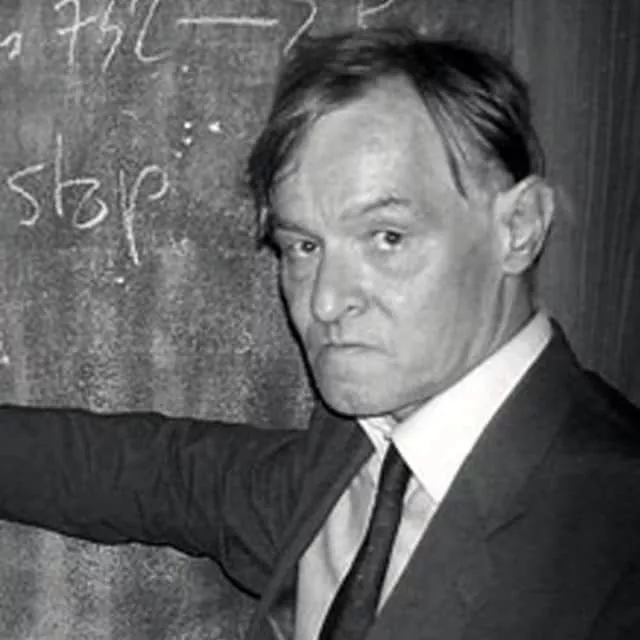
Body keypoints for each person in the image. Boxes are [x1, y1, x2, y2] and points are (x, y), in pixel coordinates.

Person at [1, 25, 639, 640]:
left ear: (519, 227)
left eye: (386, 237)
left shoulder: (612, 537)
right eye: (303, 246)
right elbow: (159, 475)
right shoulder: (355, 451)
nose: (326, 300)